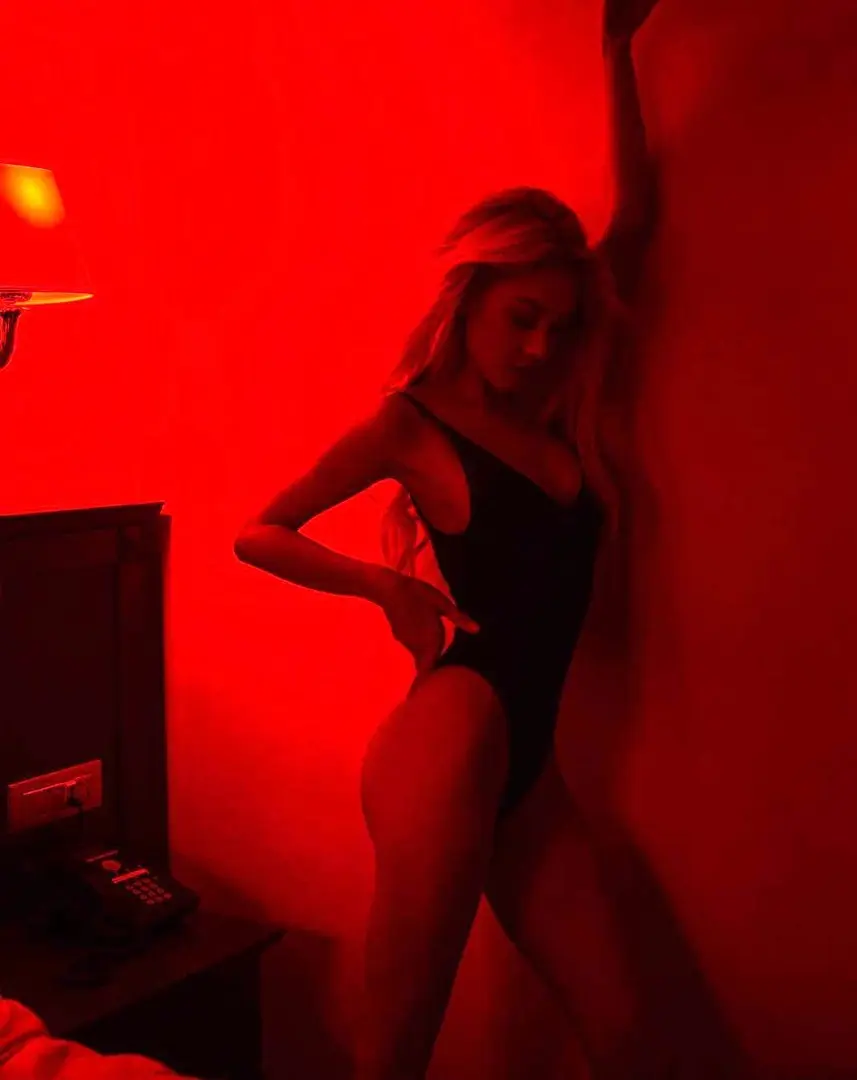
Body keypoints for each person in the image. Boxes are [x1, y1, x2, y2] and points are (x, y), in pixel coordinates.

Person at [234, 1, 664, 1076]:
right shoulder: (409, 424)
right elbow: (259, 532)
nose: (541, 345)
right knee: (397, 1051)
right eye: (522, 317)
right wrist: (385, 587)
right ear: (471, 297)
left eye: (558, 325)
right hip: (450, 727)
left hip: (530, 760)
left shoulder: (552, 415)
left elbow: (637, 223)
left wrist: (616, 50)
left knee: (635, 1040)